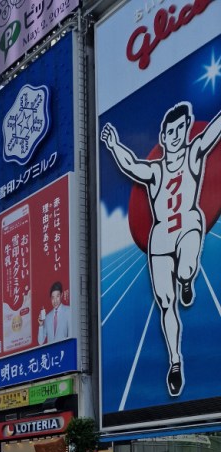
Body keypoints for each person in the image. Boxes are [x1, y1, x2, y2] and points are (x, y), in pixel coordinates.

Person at [102, 104, 221, 397]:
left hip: (188, 223)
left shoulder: (193, 154)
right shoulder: (156, 170)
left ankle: (186, 279)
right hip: (161, 238)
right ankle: (175, 362)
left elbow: (212, 133)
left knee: (187, 261)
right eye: (171, 131)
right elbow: (131, 165)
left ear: (186, 129)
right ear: (164, 137)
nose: (176, 135)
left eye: (181, 129)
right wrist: (114, 145)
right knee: (166, 304)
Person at [37, 281, 71, 345]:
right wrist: (41, 325)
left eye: (57, 296)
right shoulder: (47, 317)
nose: (55, 301)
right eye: (53, 298)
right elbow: (40, 341)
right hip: (51, 351)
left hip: (64, 349)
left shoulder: (68, 311)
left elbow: (71, 335)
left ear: (61, 295)